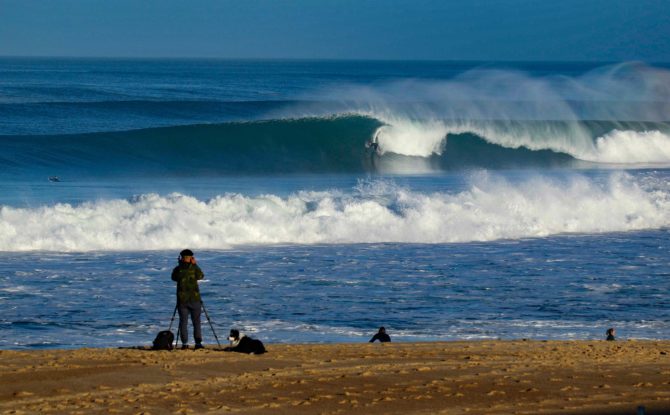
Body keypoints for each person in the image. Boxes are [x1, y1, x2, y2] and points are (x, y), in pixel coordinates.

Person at [171, 249, 205, 350]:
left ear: (182, 257)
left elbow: (173, 278)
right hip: (194, 299)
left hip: (182, 300)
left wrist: (180, 264)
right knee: (196, 322)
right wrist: (195, 265)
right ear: (191, 258)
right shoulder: (194, 268)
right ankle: (198, 343)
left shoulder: (178, 269)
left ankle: (185, 344)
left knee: (183, 322)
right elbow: (201, 276)